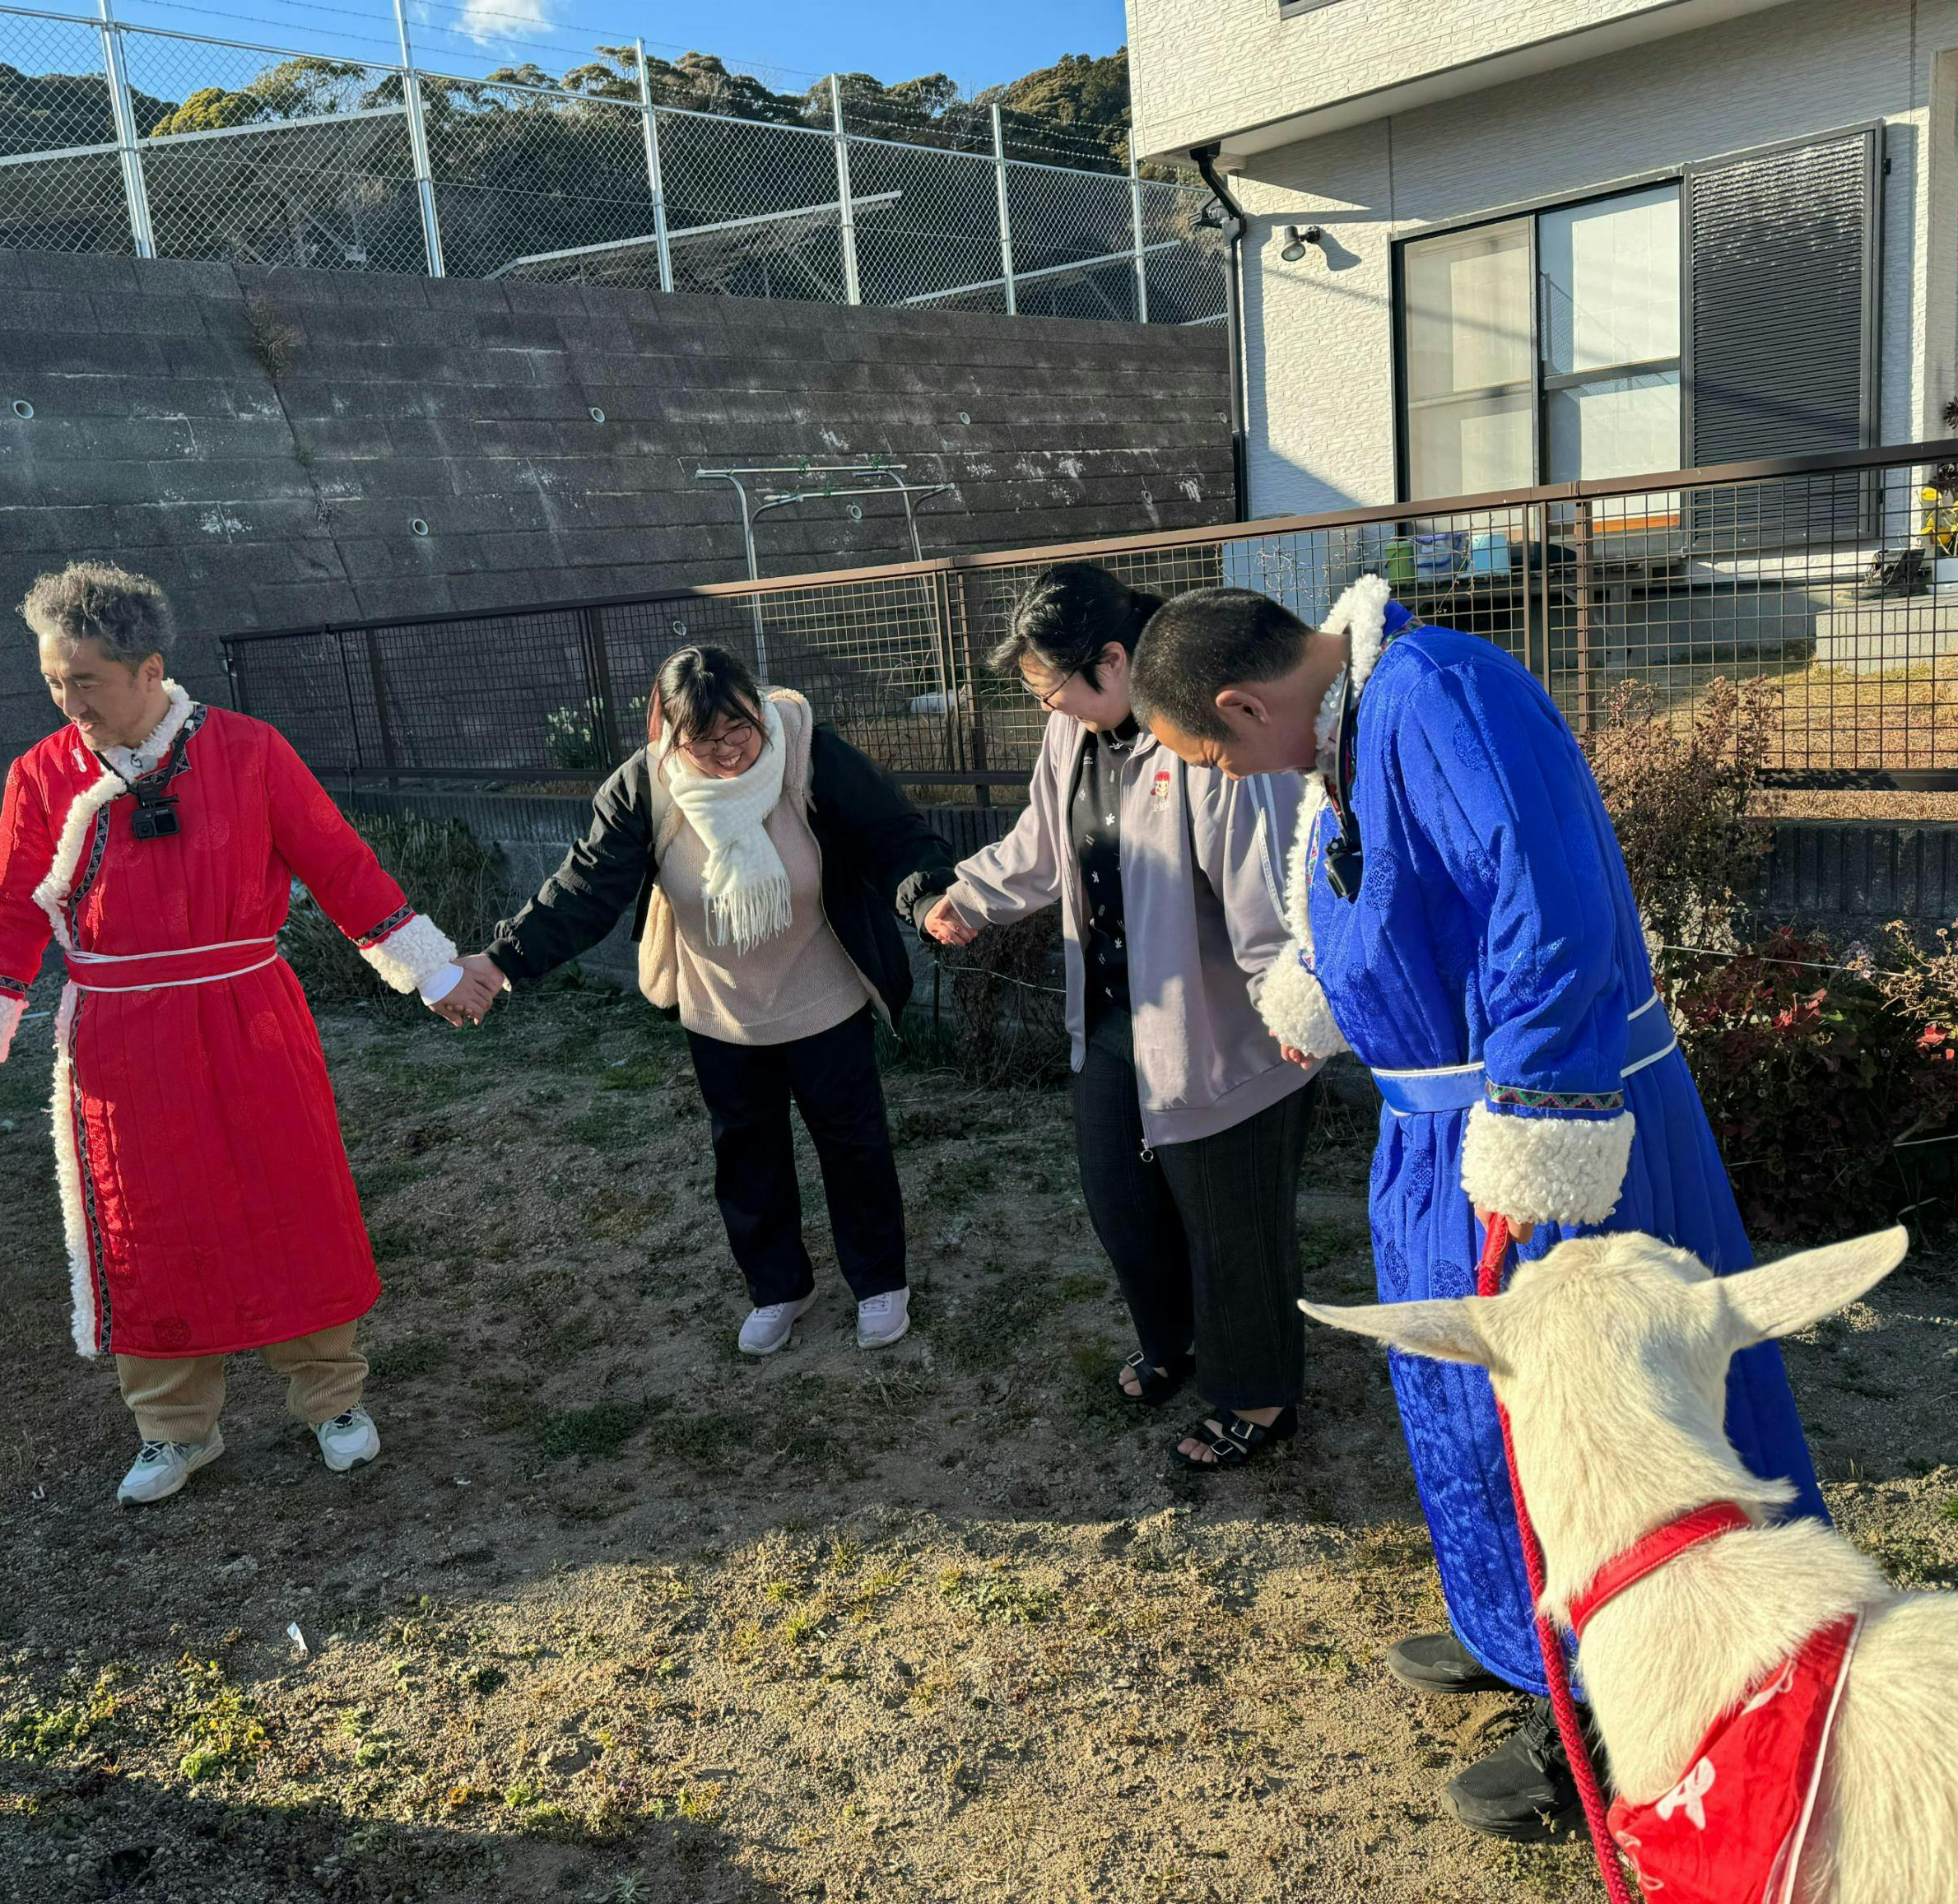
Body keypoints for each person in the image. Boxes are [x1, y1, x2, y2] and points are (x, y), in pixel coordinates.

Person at [1128, 576, 1825, 1841]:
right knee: (1476, 1418)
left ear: (1243, 704)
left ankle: (1620, 1714)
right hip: (1438, 1137)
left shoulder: (1440, 697)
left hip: (1548, 1137)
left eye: (1212, 756)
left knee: (1596, 1428)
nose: (1228, 778)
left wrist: (1544, 1115)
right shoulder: (1352, 727)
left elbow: (1544, 911)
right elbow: (1402, 905)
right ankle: (1520, 1636)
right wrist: (1331, 998)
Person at [0, 561, 492, 1508]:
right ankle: (173, 1427)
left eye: (86, 681)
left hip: (248, 1015)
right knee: (143, 1223)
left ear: (149, 671)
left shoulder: (251, 751)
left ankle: (332, 1399)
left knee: (291, 1200)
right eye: (54, 682)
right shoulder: (41, 775)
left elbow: (340, 865)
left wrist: (432, 971)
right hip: (119, 1042)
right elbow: (6, 915)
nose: (70, 705)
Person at [919, 563, 1316, 1470]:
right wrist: (967, 897)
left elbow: (1266, 884)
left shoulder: (1204, 730)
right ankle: (1176, 1341)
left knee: (1233, 1221)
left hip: (1227, 1029)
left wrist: (1294, 1001)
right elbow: (1041, 845)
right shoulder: (1075, 733)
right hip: (1112, 1015)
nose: (1049, 709)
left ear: (1113, 659)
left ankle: (1258, 1395)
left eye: (1052, 689)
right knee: (1122, 1198)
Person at [449, 645, 956, 1356]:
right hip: (720, 1008)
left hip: (822, 992)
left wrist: (927, 897)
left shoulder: (806, 751)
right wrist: (502, 958)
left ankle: (878, 1280)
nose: (728, 750)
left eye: (740, 727)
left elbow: (893, 833)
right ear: (668, 735)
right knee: (745, 1154)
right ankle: (779, 1287)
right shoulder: (647, 785)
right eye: (704, 739)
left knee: (853, 1143)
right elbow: (585, 886)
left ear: (758, 705)